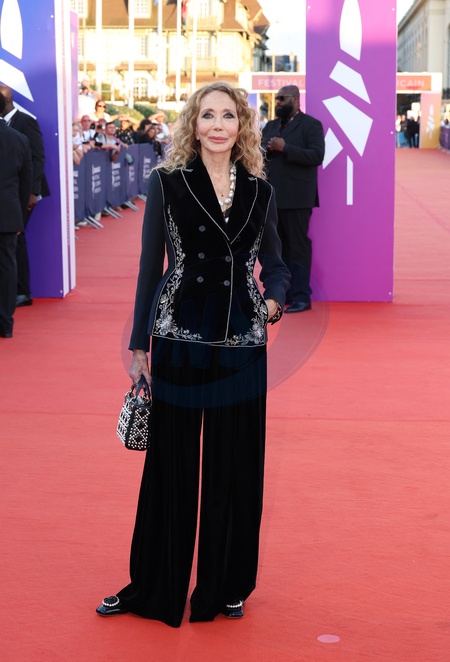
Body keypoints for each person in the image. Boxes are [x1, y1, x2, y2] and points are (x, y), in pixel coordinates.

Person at [96, 81, 290, 628]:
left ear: (242, 125)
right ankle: (153, 586)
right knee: (170, 463)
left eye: (228, 115)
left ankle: (225, 586)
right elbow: (149, 266)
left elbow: (277, 263)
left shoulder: (261, 190)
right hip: (178, 335)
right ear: (194, 124)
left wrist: (273, 301)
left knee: (236, 464)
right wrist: (139, 343)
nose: (218, 125)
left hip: (242, 342)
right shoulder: (167, 182)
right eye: (208, 115)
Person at [262, 85, 324, 313]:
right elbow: (258, 152)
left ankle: (301, 296)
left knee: (298, 248)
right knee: (277, 249)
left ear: (296, 99)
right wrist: (267, 148)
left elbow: (317, 155)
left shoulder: (311, 125)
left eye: (282, 98)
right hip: (272, 198)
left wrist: (285, 148)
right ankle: (283, 294)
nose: (278, 102)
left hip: (298, 198)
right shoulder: (270, 125)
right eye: (277, 98)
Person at [0, 84, 50, 308]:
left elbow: (37, 157)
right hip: (10, 193)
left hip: (24, 193)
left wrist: (33, 192)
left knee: (17, 239)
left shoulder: (26, 121)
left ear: (6, 101)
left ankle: (22, 291)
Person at [0, 92, 33, 338]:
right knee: (6, 268)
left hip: (10, 214)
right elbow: (25, 184)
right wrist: (19, 215)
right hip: (9, 214)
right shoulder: (19, 139)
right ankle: (5, 323)